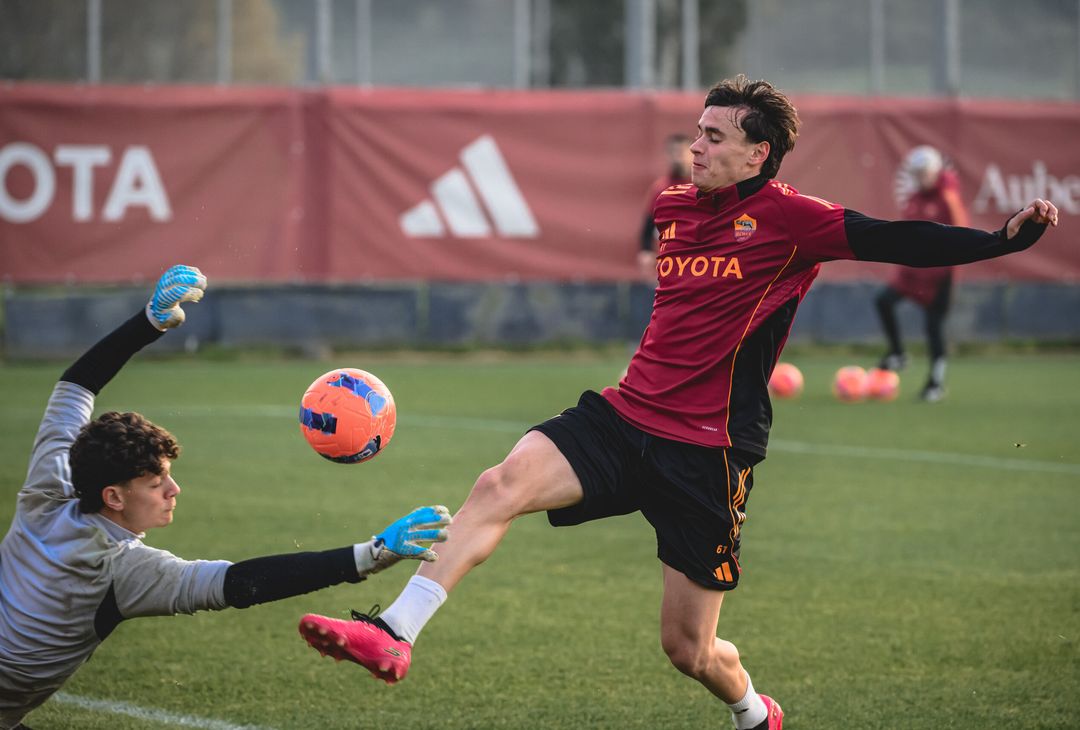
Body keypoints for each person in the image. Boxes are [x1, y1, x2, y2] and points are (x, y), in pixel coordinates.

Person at [298, 77, 1058, 729]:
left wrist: (998, 242)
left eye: (713, 136)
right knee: (497, 484)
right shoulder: (672, 207)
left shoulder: (793, 220)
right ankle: (395, 631)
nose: (694, 146)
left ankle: (755, 713)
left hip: (708, 449)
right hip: (624, 415)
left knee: (688, 651)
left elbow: (897, 237)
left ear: (757, 154)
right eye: (697, 131)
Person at [0, 265, 451, 730]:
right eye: (157, 484)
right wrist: (369, 556)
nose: (174, 490)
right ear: (113, 496)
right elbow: (240, 583)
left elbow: (77, 384)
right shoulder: (119, 571)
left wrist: (150, 321)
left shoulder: (52, 482)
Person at [875, 145, 970, 401]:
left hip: (939, 275)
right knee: (883, 301)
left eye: (924, 172)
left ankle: (935, 383)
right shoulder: (915, 198)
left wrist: (947, 268)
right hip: (912, 272)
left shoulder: (947, 197)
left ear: (935, 171)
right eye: (916, 173)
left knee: (933, 326)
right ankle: (897, 353)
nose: (920, 177)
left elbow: (961, 233)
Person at [638, 133, 694, 280]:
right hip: (669, 262)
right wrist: (646, 250)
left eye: (681, 152)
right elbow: (648, 223)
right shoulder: (659, 188)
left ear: (692, 154)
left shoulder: (703, 185)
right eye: (673, 153)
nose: (677, 158)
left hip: (699, 259)